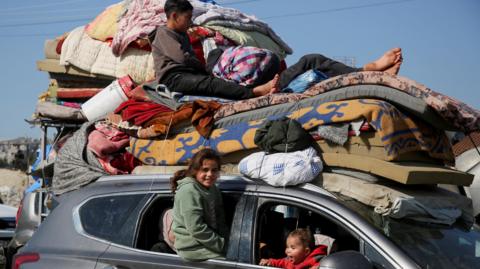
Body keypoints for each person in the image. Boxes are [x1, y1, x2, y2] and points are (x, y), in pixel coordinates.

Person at [152, 0, 279, 101]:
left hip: (189, 74)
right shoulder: (163, 33)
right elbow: (182, 58)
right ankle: (253, 92)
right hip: (173, 78)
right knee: (210, 84)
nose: (190, 22)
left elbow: (190, 58)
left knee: (216, 75)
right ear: (174, 16)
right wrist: (204, 70)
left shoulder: (183, 34)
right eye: (188, 17)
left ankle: (248, 88)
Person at [170, 148, 229, 261]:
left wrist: (229, 241)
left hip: (209, 243)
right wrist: (222, 244)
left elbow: (220, 219)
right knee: (234, 261)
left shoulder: (213, 189)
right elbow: (196, 228)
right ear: (195, 170)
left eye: (214, 170)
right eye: (205, 170)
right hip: (192, 248)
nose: (210, 174)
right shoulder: (189, 190)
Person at [259, 228, 328, 269]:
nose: (287, 251)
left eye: (292, 248)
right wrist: (269, 262)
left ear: (306, 251)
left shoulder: (315, 260)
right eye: (287, 247)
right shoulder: (289, 260)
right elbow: (279, 262)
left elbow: (320, 265)